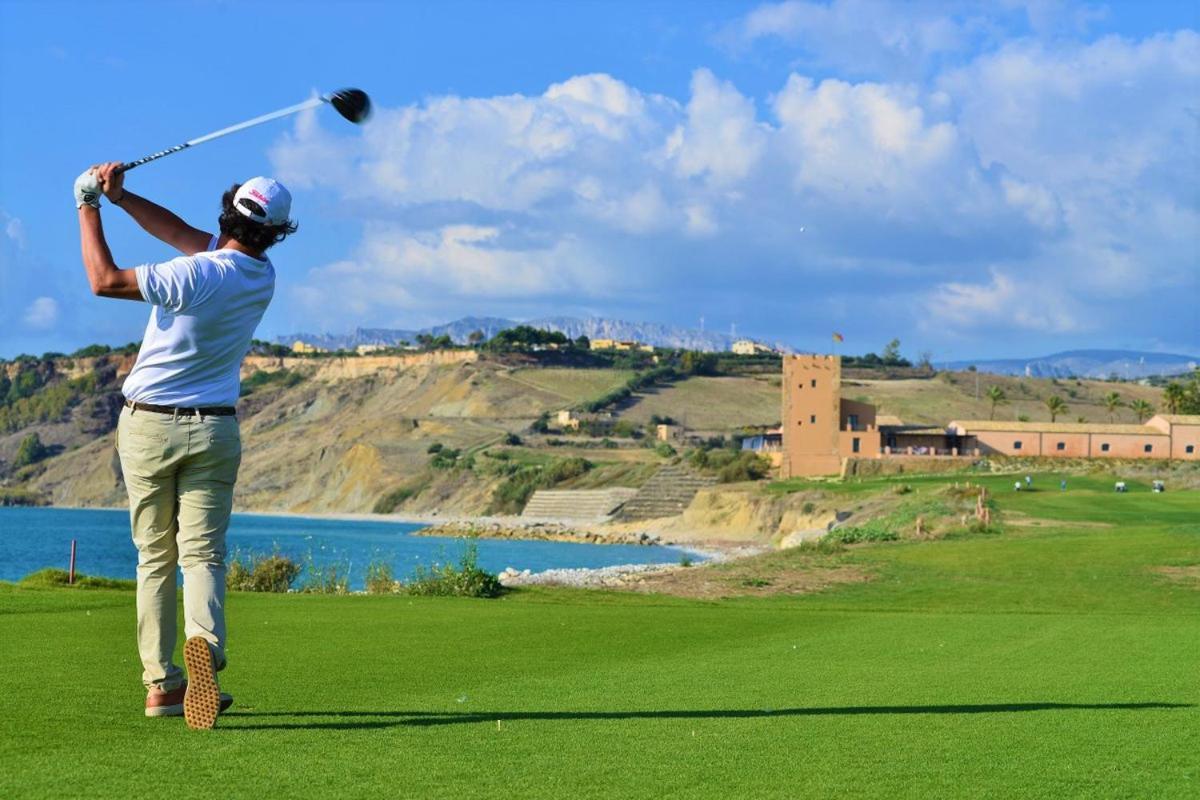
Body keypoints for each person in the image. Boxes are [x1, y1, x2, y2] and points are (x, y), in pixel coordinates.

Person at [74, 163, 295, 729]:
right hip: (216, 430)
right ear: (274, 233)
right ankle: (207, 652)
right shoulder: (261, 274)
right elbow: (179, 233)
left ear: (226, 213)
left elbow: (102, 279)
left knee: (155, 558)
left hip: (149, 428)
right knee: (203, 556)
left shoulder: (191, 276)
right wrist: (123, 198)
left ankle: (162, 685)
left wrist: (88, 203)